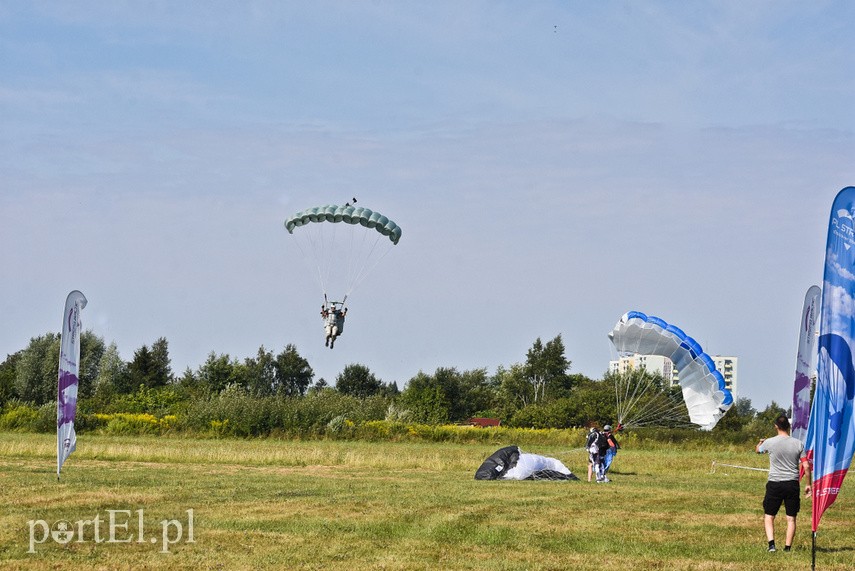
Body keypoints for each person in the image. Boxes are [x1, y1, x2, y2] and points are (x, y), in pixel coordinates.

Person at [756, 414, 811, 553]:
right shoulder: (798, 443)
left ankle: (771, 546)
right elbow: (806, 466)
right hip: (792, 483)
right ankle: (787, 548)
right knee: (791, 518)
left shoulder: (769, 442)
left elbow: (758, 451)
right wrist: (808, 484)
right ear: (789, 426)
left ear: (776, 426)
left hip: (774, 483)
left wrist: (761, 443)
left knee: (769, 516)